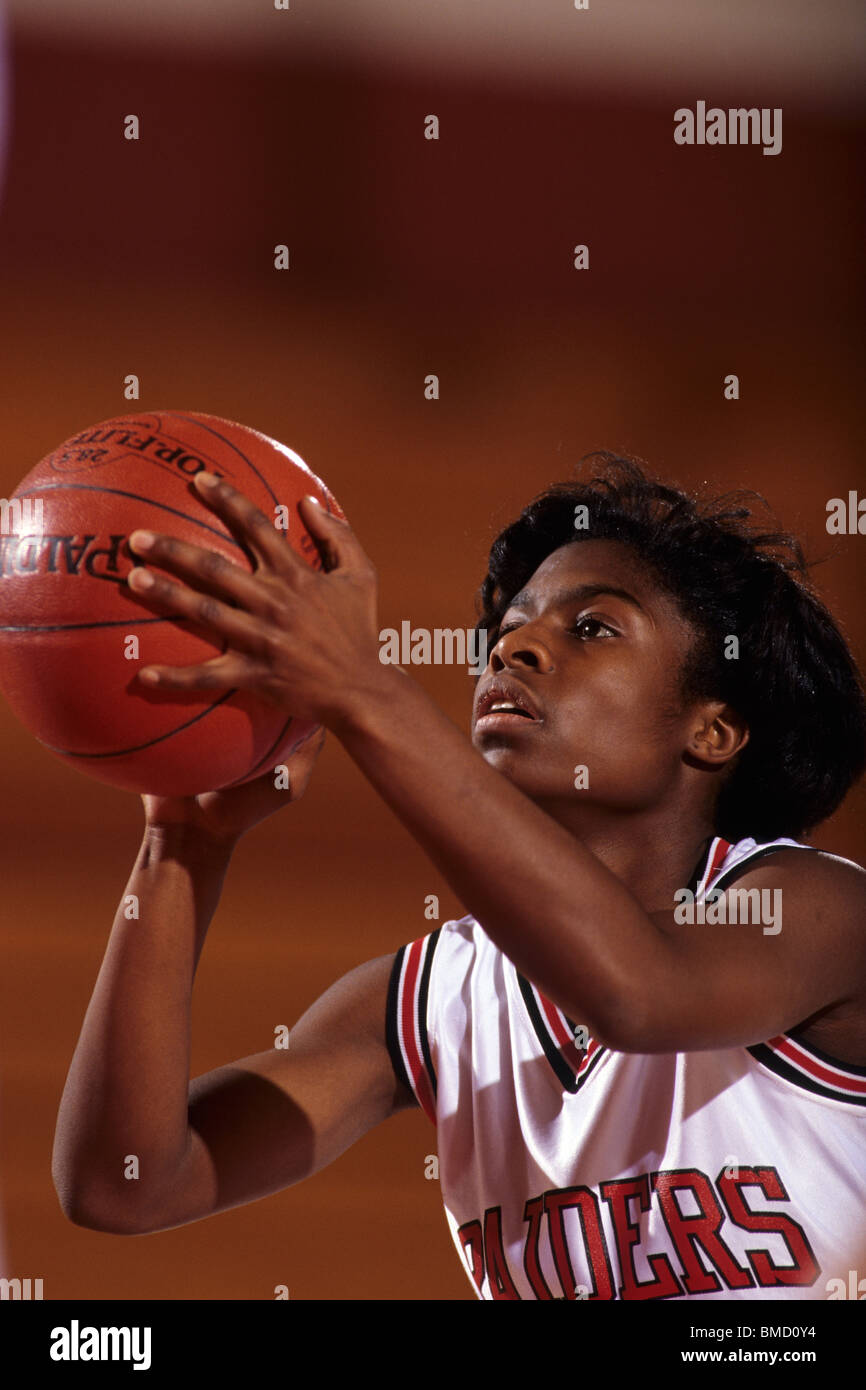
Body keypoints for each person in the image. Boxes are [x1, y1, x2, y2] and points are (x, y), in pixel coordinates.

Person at [52, 454, 866, 1300]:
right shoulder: (426, 996)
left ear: (714, 731)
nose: (515, 646)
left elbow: (641, 995)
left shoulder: (817, 910)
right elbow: (127, 1184)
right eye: (509, 628)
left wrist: (362, 689)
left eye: (592, 627)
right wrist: (182, 842)